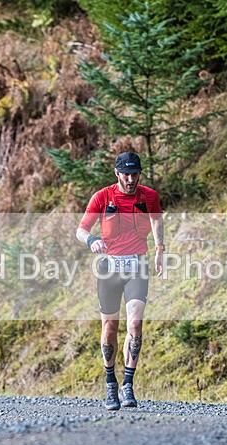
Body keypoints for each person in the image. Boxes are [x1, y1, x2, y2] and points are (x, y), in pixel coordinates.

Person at [76, 152, 164, 410]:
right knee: (109, 328)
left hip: (138, 264)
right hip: (109, 267)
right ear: (117, 173)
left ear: (139, 173)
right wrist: (92, 240)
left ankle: (128, 384)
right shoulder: (102, 197)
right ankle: (110, 384)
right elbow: (81, 230)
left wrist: (159, 250)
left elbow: (157, 219)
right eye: (125, 173)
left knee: (135, 324)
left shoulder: (149, 196)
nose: (130, 178)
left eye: (134, 173)